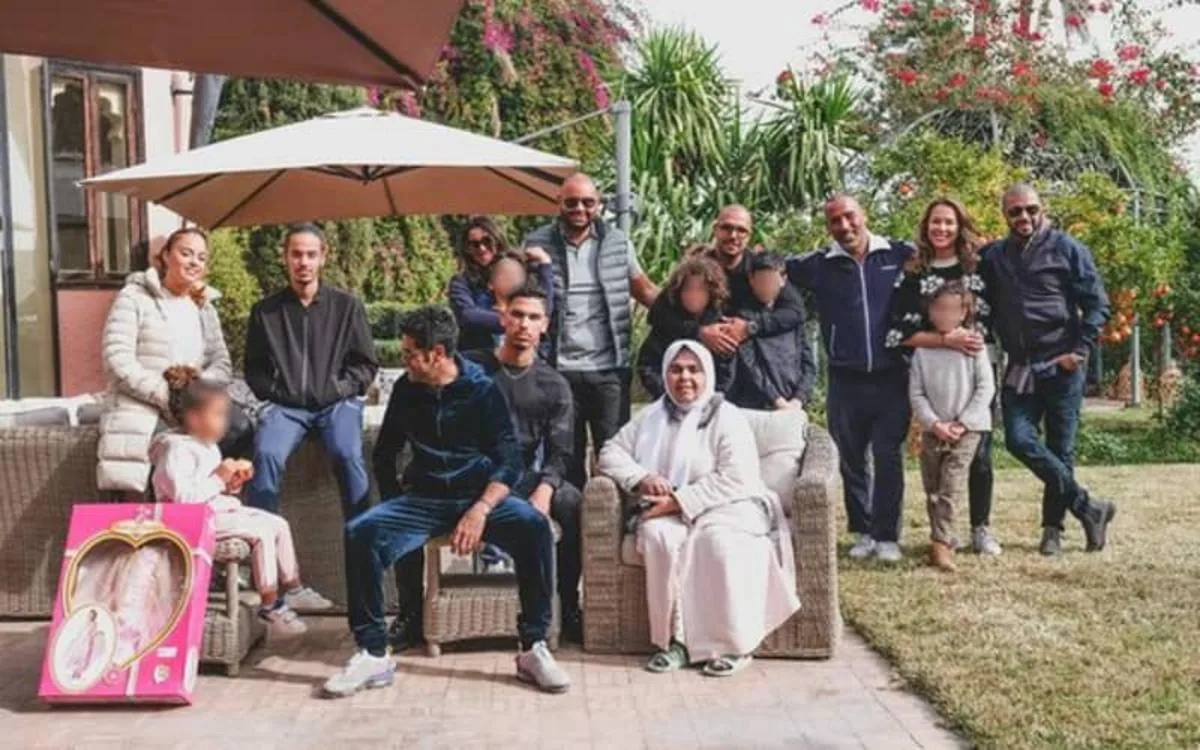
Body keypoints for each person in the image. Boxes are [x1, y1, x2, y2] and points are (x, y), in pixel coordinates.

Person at [325, 305, 568, 698]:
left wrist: (481, 509)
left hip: (479, 497)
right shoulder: (406, 390)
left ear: (436, 354)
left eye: (410, 354)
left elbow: (510, 461)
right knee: (361, 532)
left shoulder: (481, 389)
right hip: (424, 498)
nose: (404, 361)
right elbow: (385, 455)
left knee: (535, 528)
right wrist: (397, 505)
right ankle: (373, 653)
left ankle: (533, 647)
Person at [386, 287, 584, 649]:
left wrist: (546, 488)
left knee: (570, 501)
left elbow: (561, 452)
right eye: (517, 314)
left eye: (534, 317)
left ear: (545, 325)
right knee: (408, 494)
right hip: (461, 472)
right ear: (502, 318)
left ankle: (568, 607)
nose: (524, 324)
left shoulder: (554, 386)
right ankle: (411, 614)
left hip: (517, 478)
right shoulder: (468, 368)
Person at [597, 340, 800, 677]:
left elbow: (736, 477)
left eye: (694, 370)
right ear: (665, 374)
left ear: (707, 375)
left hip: (730, 504)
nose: (685, 378)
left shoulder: (727, 417)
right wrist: (642, 478)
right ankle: (674, 642)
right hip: (668, 510)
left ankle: (734, 644)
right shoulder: (650, 417)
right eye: (676, 370)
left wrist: (678, 502)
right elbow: (609, 453)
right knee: (659, 538)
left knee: (715, 542)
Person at [979, 184, 1117, 556]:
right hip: (1020, 368)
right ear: (1004, 215)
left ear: (1042, 209)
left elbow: (1098, 305)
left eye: (1031, 209)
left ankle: (1052, 531)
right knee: (1018, 440)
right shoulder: (993, 256)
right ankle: (1089, 507)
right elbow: (962, 273)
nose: (1024, 216)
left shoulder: (1068, 249)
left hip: (1062, 366)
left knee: (1061, 448)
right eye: (1015, 211)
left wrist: (1079, 350)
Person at [150, 366, 332, 633]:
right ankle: (270, 605)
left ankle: (294, 587)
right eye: (218, 415)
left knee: (278, 523)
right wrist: (219, 478)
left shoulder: (208, 445)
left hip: (213, 514)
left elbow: (211, 490)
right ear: (194, 417)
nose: (225, 422)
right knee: (261, 533)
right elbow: (184, 499)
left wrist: (231, 483)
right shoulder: (176, 451)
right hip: (187, 522)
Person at [786, 194, 913, 563]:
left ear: (863, 215)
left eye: (849, 217)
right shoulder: (817, 265)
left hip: (893, 375)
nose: (844, 226)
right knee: (852, 458)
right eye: (835, 221)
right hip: (845, 377)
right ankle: (863, 531)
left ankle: (887, 535)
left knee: (888, 456)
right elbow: (769, 269)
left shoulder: (899, 254)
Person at [522, 172, 660, 488]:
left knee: (615, 458)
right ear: (558, 202)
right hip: (558, 370)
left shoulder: (617, 243)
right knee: (564, 460)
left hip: (608, 369)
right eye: (571, 202)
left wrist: (690, 316)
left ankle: (613, 518)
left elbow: (645, 290)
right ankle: (572, 520)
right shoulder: (536, 243)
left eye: (587, 202)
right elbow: (519, 293)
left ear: (599, 204)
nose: (580, 209)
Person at [885, 197, 1002, 556]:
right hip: (934, 373)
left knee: (979, 456)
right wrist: (945, 340)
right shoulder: (914, 272)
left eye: (949, 222)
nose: (942, 228)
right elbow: (896, 334)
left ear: (960, 226)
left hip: (975, 369)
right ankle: (942, 534)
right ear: (926, 226)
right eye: (935, 221)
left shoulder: (978, 267)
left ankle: (980, 529)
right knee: (937, 463)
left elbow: (996, 315)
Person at [243, 223, 379, 523]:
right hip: (286, 408)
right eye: (296, 254)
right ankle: (260, 538)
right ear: (285, 257)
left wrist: (338, 389)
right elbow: (254, 368)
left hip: (337, 404)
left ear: (323, 257)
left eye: (310, 254)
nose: (303, 262)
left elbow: (366, 364)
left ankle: (363, 539)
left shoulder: (347, 307)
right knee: (266, 454)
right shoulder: (265, 311)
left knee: (348, 455)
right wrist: (277, 392)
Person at [97, 227, 246, 495]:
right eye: (186, 253)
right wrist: (169, 395)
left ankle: (217, 494)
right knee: (173, 449)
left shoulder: (204, 307)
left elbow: (222, 363)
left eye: (201, 257)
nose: (194, 262)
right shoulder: (134, 298)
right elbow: (117, 359)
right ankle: (171, 505)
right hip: (145, 403)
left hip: (193, 404)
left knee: (240, 426)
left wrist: (197, 393)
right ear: (165, 256)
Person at [648, 206, 810, 366]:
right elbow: (658, 313)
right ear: (715, 229)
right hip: (699, 361)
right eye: (726, 228)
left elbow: (795, 312)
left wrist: (750, 327)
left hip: (752, 363)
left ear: (749, 236)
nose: (733, 236)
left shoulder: (759, 268)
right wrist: (699, 332)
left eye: (741, 230)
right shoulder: (696, 268)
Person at [908, 282, 996, 572]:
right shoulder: (923, 351)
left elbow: (985, 388)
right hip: (934, 429)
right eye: (940, 308)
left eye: (952, 309)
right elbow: (916, 393)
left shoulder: (974, 346)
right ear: (931, 312)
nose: (945, 314)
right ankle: (945, 537)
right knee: (933, 487)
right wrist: (934, 423)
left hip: (967, 430)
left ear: (963, 313)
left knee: (951, 484)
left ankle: (940, 544)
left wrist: (963, 422)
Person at [637, 253, 735, 399]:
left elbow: (726, 372)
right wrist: (669, 394)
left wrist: (708, 398)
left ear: (712, 293)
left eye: (701, 289)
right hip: (670, 399)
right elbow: (648, 366)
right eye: (688, 289)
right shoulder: (666, 325)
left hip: (708, 401)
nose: (693, 295)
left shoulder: (719, 327)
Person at [730, 252, 817, 411]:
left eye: (771, 281)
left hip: (794, 403)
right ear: (751, 280)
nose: (766, 287)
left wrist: (799, 398)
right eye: (761, 281)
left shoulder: (791, 317)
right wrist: (777, 400)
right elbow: (750, 366)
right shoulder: (743, 319)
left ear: (783, 280)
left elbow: (808, 363)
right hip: (757, 406)